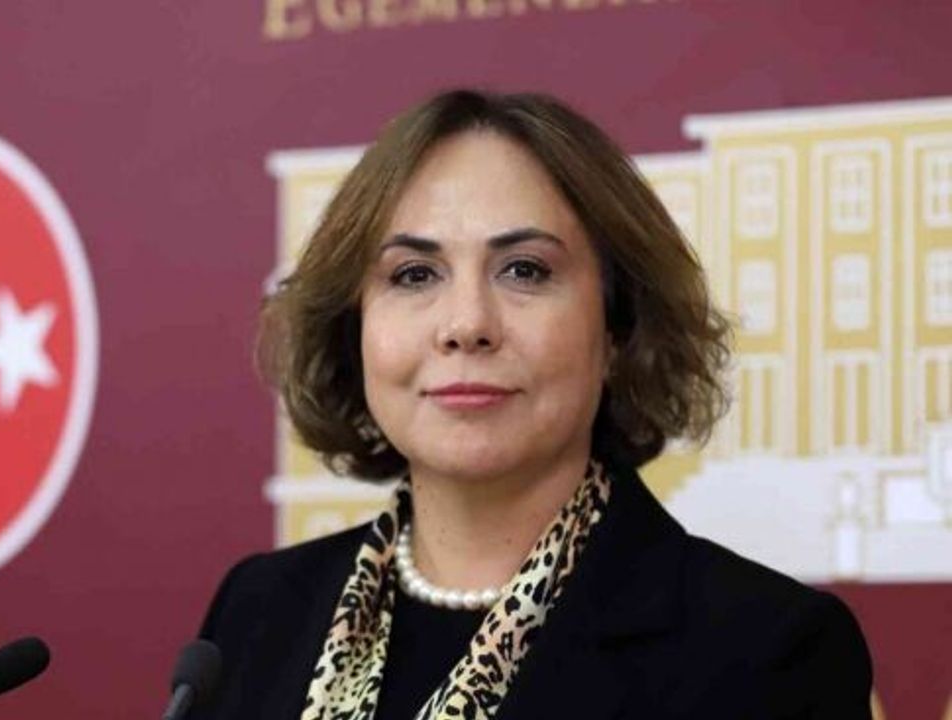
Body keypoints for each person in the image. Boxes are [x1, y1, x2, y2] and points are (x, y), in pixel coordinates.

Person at [189, 89, 873, 719]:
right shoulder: (254, 615)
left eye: (525, 270)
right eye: (414, 274)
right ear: (354, 327)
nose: (466, 324)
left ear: (618, 329)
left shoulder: (768, 652)